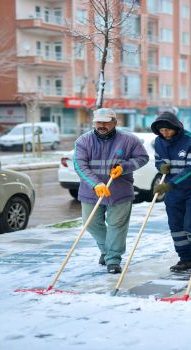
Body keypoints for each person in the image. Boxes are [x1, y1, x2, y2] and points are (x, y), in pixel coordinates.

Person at [74, 108, 149, 274]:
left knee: (117, 225)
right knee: (91, 223)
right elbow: (80, 165)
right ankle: (107, 250)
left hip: (120, 191)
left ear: (114, 122)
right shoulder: (83, 141)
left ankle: (113, 260)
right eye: (99, 122)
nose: (102, 125)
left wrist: (124, 167)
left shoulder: (129, 140)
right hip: (91, 191)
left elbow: (143, 158)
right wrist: (96, 184)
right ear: (94, 123)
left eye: (106, 122)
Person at [150, 110, 191, 273]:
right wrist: (161, 166)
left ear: (176, 127)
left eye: (168, 130)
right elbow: (158, 160)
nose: (165, 134)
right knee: (176, 225)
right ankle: (185, 259)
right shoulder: (159, 141)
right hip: (174, 190)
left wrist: (171, 185)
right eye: (162, 131)